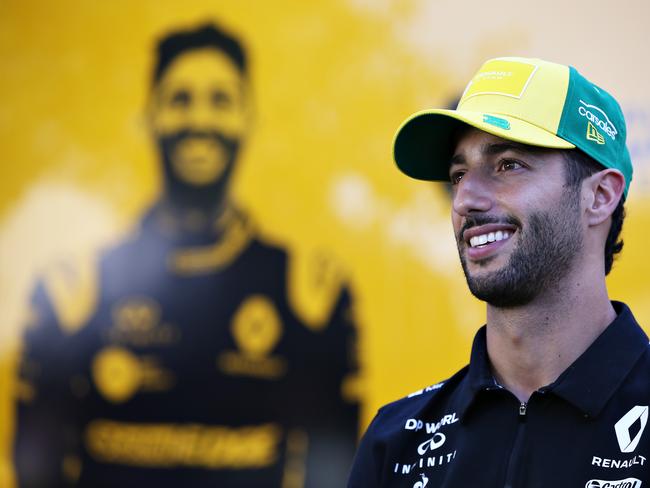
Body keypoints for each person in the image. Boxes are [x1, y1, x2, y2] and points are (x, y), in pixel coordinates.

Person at [14, 23, 359, 487]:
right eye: (180, 99)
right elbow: (35, 468)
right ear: (150, 115)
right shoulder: (73, 290)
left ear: (247, 117)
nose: (200, 120)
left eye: (220, 100)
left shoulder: (308, 292)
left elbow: (334, 473)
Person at [348, 56, 648, 487]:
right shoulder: (395, 443)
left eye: (508, 165)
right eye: (458, 174)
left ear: (599, 196)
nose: (465, 199)